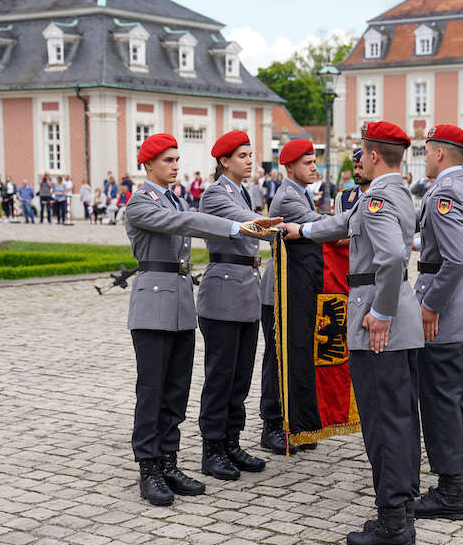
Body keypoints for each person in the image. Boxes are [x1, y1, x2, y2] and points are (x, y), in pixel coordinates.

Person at [283, 120, 423, 545]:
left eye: (361, 152)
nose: (357, 159)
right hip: (399, 315)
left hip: (379, 317)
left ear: (375, 155)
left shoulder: (379, 196)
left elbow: (393, 255)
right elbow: (347, 222)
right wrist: (301, 230)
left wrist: (379, 312)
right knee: (398, 415)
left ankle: (393, 523)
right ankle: (403, 503)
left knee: (382, 420)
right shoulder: (395, 190)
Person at [124, 132, 280, 506]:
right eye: (167, 160)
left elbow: (184, 219)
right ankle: (149, 468)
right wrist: (234, 227)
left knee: (176, 391)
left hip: (178, 303)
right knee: (152, 392)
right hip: (152, 305)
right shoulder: (139, 202)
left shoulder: (173, 197)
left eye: (177, 159)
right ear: (147, 165)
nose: (175, 166)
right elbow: (185, 223)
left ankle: (169, 461)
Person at [410, 125, 463, 522]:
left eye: (426, 151)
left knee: (441, 402)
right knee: (458, 397)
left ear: (439, 153)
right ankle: (459, 479)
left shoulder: (444, 192)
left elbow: (454, 259)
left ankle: (452, 491)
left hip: (446, 312)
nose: (425, 158)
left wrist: (430, 306)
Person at [196, 131, 270, 482]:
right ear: (224, 161)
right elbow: (250, 225)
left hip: (245, 290)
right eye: (242, 155)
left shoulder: (246, 191)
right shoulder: (215, 194)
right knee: (221, 374)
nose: (249, 160)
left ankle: (232, 441)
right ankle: (212, 448)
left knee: (240, 375)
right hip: (223, 293)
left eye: (250, 154)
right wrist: (285, 227)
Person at [259, 138, 326, 455]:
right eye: (307, 162)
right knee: (277, 358)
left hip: (296, 287)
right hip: (279, 290)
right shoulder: (288, 198)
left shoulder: (302, 194)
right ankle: (272, 425)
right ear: (289, 167)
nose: (314, 167)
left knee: (295, 355)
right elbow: (320, 227)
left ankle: (294, 422)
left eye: (314, 161)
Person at [336, 148, 369, 215]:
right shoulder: (343, 197)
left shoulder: (380, 196)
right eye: (355, 167)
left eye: (361, 167)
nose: (356, 172)